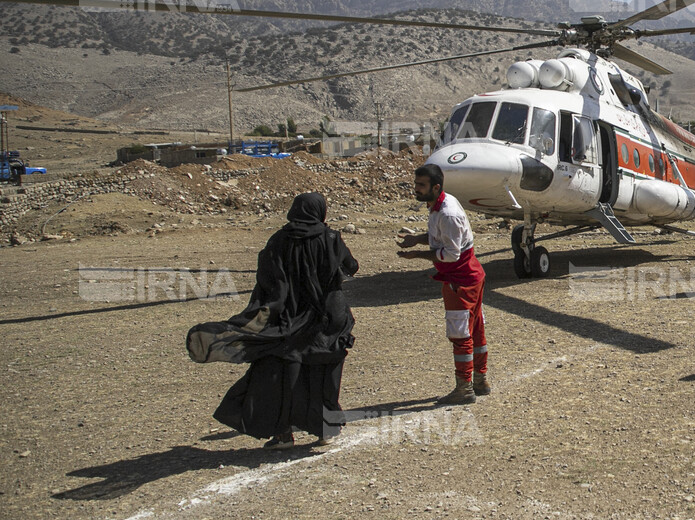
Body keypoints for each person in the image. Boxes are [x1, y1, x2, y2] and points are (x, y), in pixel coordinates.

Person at [188, 192, 358, 450]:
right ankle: (326, 429)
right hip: (326, 320)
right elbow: (351, 267)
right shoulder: (330, 238)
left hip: (288, 319)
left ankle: (283, 434)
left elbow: (268, 280)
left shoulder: (279, 240)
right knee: (322, 373)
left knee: (280, 377)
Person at [397, 163, 488, 404]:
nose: (416, 189)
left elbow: (450, 254)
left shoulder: (447, 213)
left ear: (436, 187)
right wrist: (417, 240)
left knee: (461, 334)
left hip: (461, 280)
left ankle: (465, 387)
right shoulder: (439, 207)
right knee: (475, 329)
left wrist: (417, 256)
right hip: (469, 275)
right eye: (416, 184)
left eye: (421, 185)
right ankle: (479, 380)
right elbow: (440, 238)